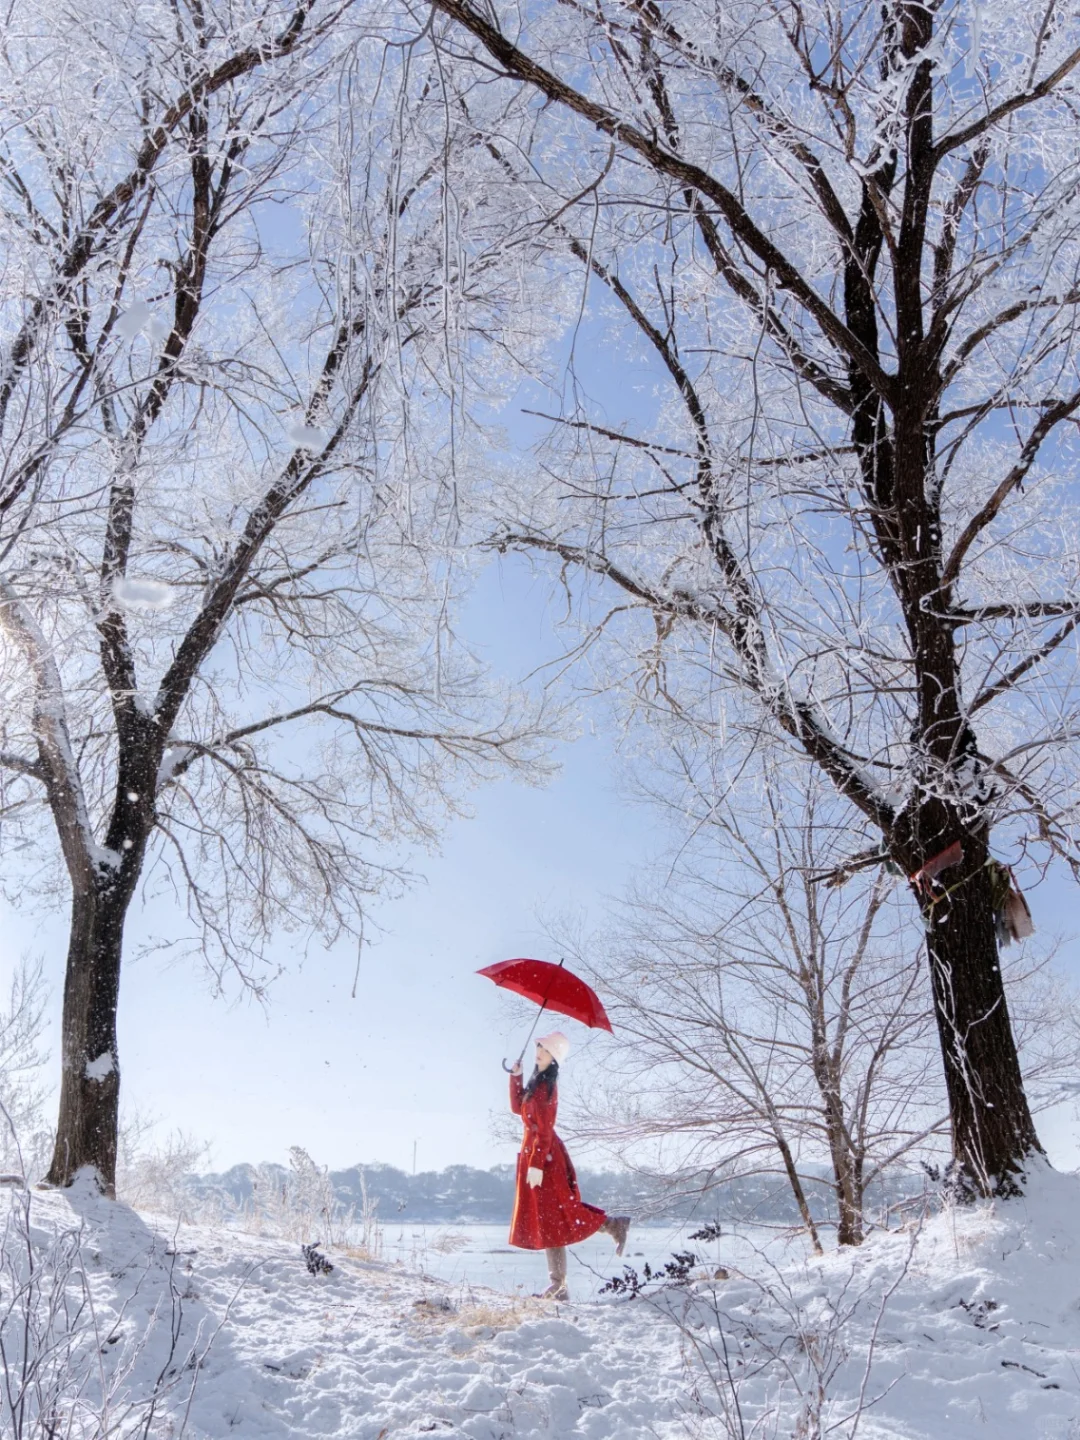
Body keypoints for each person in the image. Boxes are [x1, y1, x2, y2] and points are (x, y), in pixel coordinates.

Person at [508, 1031, 630, 1300]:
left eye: (546, 1049)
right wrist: (516, 1076)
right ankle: (610, 1227)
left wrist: (537, 1164)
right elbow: (519, 1108)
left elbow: (545, 1130)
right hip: (536, 1156)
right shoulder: (536, 1083)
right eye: (538, 1046)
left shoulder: (547, 1088)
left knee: (556, 1217)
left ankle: (559, 1286)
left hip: (545, 1159)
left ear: (555, 1058)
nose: (539, 1051)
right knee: (552, 1219)